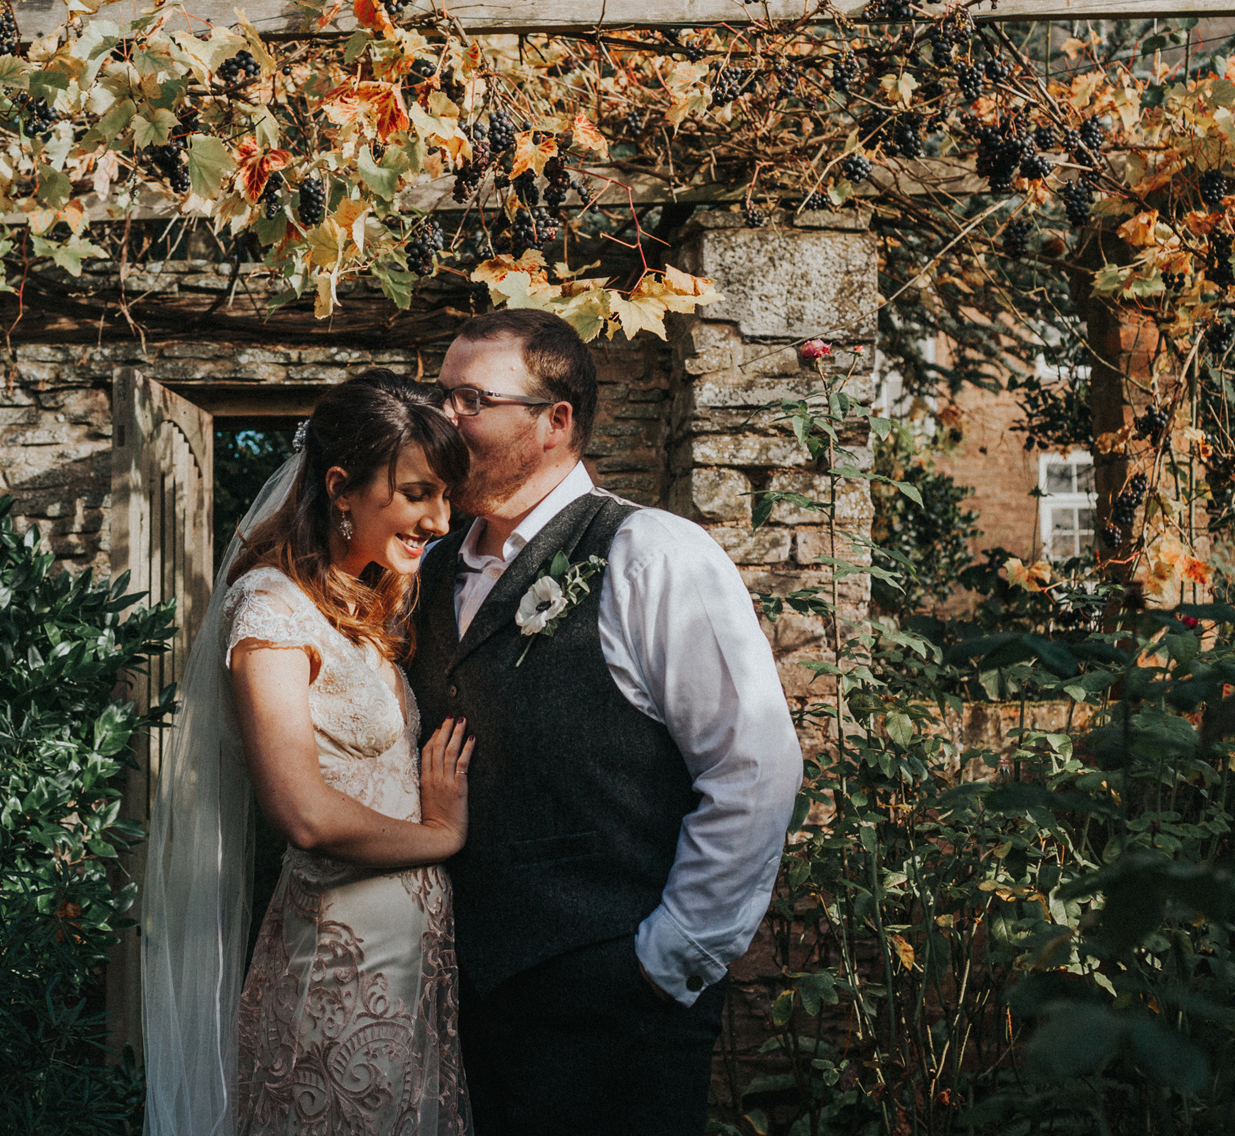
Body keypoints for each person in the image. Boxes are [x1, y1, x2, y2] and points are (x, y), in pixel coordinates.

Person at [410, 309, 805, 1136]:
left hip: (615, 1007)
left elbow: (754, 767)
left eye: (470, 398)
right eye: (438, 395)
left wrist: (666, 962)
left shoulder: (652, 552)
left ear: (556, 422)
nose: (442, 419)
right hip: (464, 1004)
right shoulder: (432, 564)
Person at [143, 369, 476, 1136]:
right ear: (341, 488)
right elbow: (302, 811)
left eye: (446, 498)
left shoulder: (365, 606)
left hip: (409, 974)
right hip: (338, 970)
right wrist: (441, 836)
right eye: (419, 492)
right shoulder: (268, 610)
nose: (439, 519)